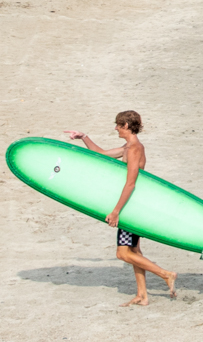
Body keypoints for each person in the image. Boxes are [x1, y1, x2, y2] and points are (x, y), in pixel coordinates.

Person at [65, 110, 177, 306]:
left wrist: (116, 211)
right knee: (134, 251)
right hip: (132, 206)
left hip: (130, 207)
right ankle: (142, 295)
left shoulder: (134, 149)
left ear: (126, 125)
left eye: (118, 124)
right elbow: (100, 155)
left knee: (123, 253)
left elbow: (131, 183)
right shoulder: (128, 147)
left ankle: (166, 274)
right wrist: (84, 137)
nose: (115, 128)